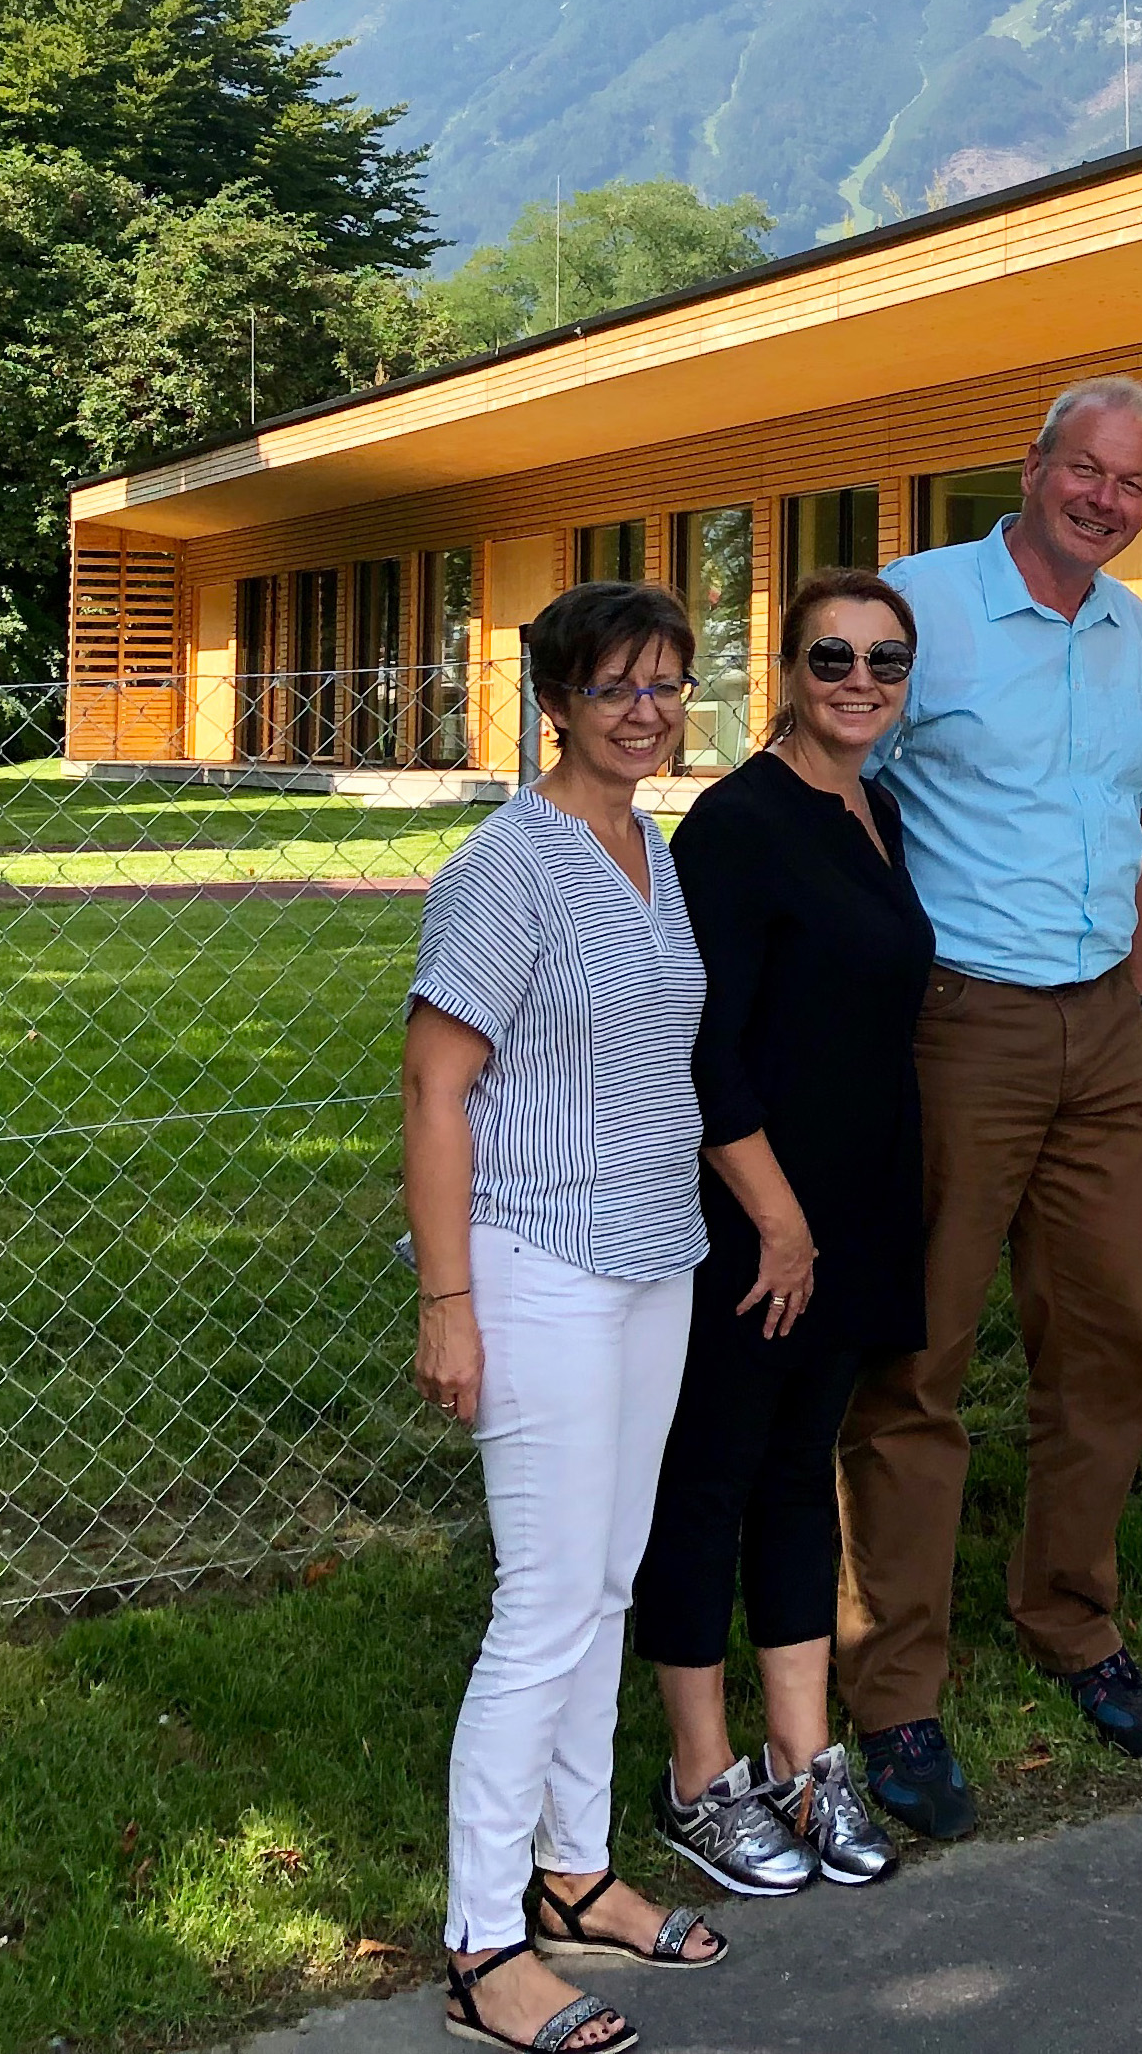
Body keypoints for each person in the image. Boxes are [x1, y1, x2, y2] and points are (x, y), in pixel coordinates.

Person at [837, 376, 1142, 1838]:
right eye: (1084, 470)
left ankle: (1070, 1618)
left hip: (1105, 1032)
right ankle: (894, 1688)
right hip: (959, 1025)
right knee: (917, 1361)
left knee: (1108, 1344)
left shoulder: (1135, 632)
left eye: (1130, 486)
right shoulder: (918, 606)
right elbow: (840, 779)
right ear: (1034, 465)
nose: (1103, 499)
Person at [403, 580, 726, 2054]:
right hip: (534, 1263)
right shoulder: (506, 867)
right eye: (616, 687)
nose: (646, 710)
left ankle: (573, 1871)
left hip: (655, 1256)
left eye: (665, 683)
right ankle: (480, 1946)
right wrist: (449, 1302)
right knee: (538, 1606)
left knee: (608, 1580)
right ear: (556, 702)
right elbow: (435, 1087)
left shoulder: (647, 845)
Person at [631, 571, 930, 1898]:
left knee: (801, 1478)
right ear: (786, 670)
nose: (858, 680)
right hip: (756, 1216)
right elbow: (702, 1049)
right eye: (831, 655)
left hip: (856, 1207)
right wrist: (775, 1220)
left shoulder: (879, 809)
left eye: (885, 660)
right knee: (711, 1481)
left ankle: (805, 1758)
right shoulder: (736, 827)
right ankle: (698, 1780)